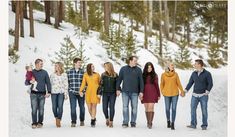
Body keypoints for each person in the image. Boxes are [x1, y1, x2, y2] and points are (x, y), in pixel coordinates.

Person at [116, 56, 144, 128]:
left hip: (135, 92)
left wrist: (141, 91)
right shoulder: (123, 69)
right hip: (125, 92)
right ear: (130, 61)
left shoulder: (138, 70)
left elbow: (141, 81)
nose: (136, 62)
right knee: (125, 107)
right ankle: (125, 122)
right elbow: (119, 80)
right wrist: (118, 89)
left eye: (136, 61)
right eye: (135, 60)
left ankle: (133, 122)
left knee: (134, 108)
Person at [185, 59, 213, 130]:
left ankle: (204, 125)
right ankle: (193, 124)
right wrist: (185, 90)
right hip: (194, 95)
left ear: (200, 65)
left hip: (203, 95)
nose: (194, 65)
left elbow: (210, 83)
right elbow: (190, 83)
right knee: (192, 110)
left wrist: (207, 91)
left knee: (204, 110)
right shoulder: (194, 73)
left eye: (195, 64)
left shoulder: (207, 73)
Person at [25, 59, 51, 129]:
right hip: (33, 94)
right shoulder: (31, 72)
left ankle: (40, 122)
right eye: (40, 64)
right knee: (34, 109)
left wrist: (49, 92)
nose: (42, 65)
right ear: (36, 64)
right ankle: (34, 123)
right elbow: (26, 82)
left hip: (42, 94)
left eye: (42, 64)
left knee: (41, 109)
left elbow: (48, 83)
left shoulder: (45, 72)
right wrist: (31, 81)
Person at [160, 62, 185, 130]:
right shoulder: (163, 75)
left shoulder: (176, 74)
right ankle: (168, 120)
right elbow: (161, 84)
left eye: (173, 65)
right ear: (168, 67)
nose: (173, 66)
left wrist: (182, 91)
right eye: (171, 65)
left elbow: (179, 83)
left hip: (175, 94)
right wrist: (162, 91)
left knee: (174, 109)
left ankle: (173, 123)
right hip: (166, 94)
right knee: (167, 109)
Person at [98, 62, 119, 128]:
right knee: (104, 108)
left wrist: (118, 90)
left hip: (113, 93)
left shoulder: (115, 75)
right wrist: (99, 93)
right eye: (104, 67)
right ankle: (107, 118)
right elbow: (101, 85)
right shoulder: (103, 75)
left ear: (109, 67)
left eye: (105, 66)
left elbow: (117, 84)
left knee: (112, 107)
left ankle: (111, 121)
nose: (104, 68)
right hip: (105, 93)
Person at [79, 63, 101, 127]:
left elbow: (100, 84)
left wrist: (100, 92)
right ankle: (93, 117)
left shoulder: (97, 74)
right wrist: (80, 90)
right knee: (89, 107)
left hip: (96, 92)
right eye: (92, 67)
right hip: (88, 92)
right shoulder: (85, 75)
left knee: (94, 106)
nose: (93, 68)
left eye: (94, 67)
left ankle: (92, 121)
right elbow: (83, 83)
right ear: (89, 68)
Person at [67, 58, 85, 127]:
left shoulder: (83, 72)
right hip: (72, 92)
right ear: (74, 63)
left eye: (81, 62)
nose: (80, 64)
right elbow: (67, 82)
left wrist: (83, 91)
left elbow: (86, 83)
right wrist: (70, 90)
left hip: (81, 93)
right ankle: (73, 122)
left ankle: (82, 120)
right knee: (73, 107)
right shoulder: (69, 72)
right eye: (79, 62)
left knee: (82, 108)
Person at [142, 62, 161, 129]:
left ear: (152, 68)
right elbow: (140, 85)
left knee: (151, 107)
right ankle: (148, 121)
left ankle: (150, 123)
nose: (149, 69)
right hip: (145, 92)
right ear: (146, 68)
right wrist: (140, 93)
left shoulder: (155, 75)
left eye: (151, 67)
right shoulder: (143, 75)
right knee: (146, 108)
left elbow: (157, 85)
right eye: (148, 67)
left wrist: (158, 94)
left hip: (153, 92)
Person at [50, 62, 68, 128]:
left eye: (56, 66)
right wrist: (48, 92)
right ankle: (56, 117)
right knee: (54, 107)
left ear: (60, 67)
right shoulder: (52, 75)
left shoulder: (64, 75)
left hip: (61, 92)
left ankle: (58, 120)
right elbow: (49, 84)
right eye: (55, 66)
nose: (55, 67)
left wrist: (65, 94)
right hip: (53, 93)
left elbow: (66, 84)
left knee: (60, 106)